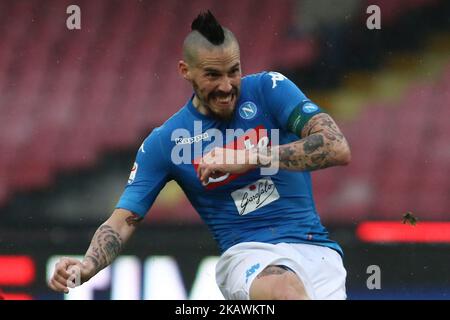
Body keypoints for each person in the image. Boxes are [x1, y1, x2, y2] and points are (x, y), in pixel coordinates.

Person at [49, 10, 351, 300]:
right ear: (185, 71)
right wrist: (87, 265)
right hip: (248, 256)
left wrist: (252, 156)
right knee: (284, 289)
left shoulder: (270, 89)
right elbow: (123, 220)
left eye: (234, 71)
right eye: (212, 75)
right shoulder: (165, 143)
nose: (226, 86)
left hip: (317, 252)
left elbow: (336, 147)